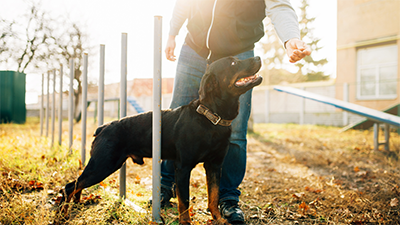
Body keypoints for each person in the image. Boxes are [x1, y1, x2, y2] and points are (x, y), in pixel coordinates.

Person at [160, 0, 311, 224]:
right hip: (194, 49)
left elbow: (279, 5)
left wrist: (290, 38)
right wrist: (173, 32)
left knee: (236, 131)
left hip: (238, 52)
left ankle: (227, 198)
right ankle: (166, 185)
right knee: (176, 120)